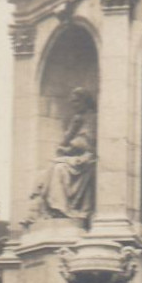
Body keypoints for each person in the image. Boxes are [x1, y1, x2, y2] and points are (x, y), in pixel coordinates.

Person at [30, 87, 97, 221]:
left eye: (76, 102)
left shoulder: (93, 118)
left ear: (85, 101)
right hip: (75, 159)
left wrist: (72, 145)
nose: (73, 105)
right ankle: (41, 207)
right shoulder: (77, 119)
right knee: (50, 169)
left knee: (58, 168)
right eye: (72, 102)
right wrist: (73, 129)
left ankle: (60, 208)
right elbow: (63, 145)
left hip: (87, 158)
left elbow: (89, 142)